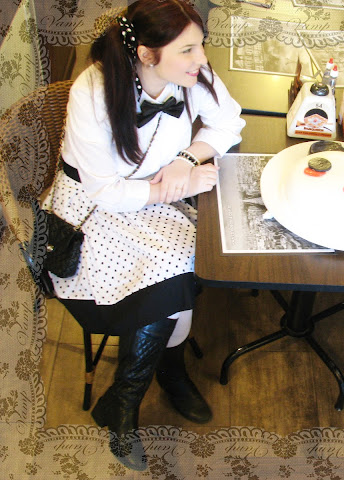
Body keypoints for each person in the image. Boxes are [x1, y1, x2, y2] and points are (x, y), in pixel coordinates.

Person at [42, 0, 245, 469]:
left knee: (189, 263)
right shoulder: (93, 92)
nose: (201, 59)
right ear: (148, 54)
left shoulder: (192, 74)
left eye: (201, 46)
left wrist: (186, 160)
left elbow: (229, 122)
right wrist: (179, 186)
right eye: (188, 49)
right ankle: (155, 382)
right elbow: (107, 192)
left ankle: (127, 397)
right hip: (93, 207)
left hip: (158, 193)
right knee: (179, 274)